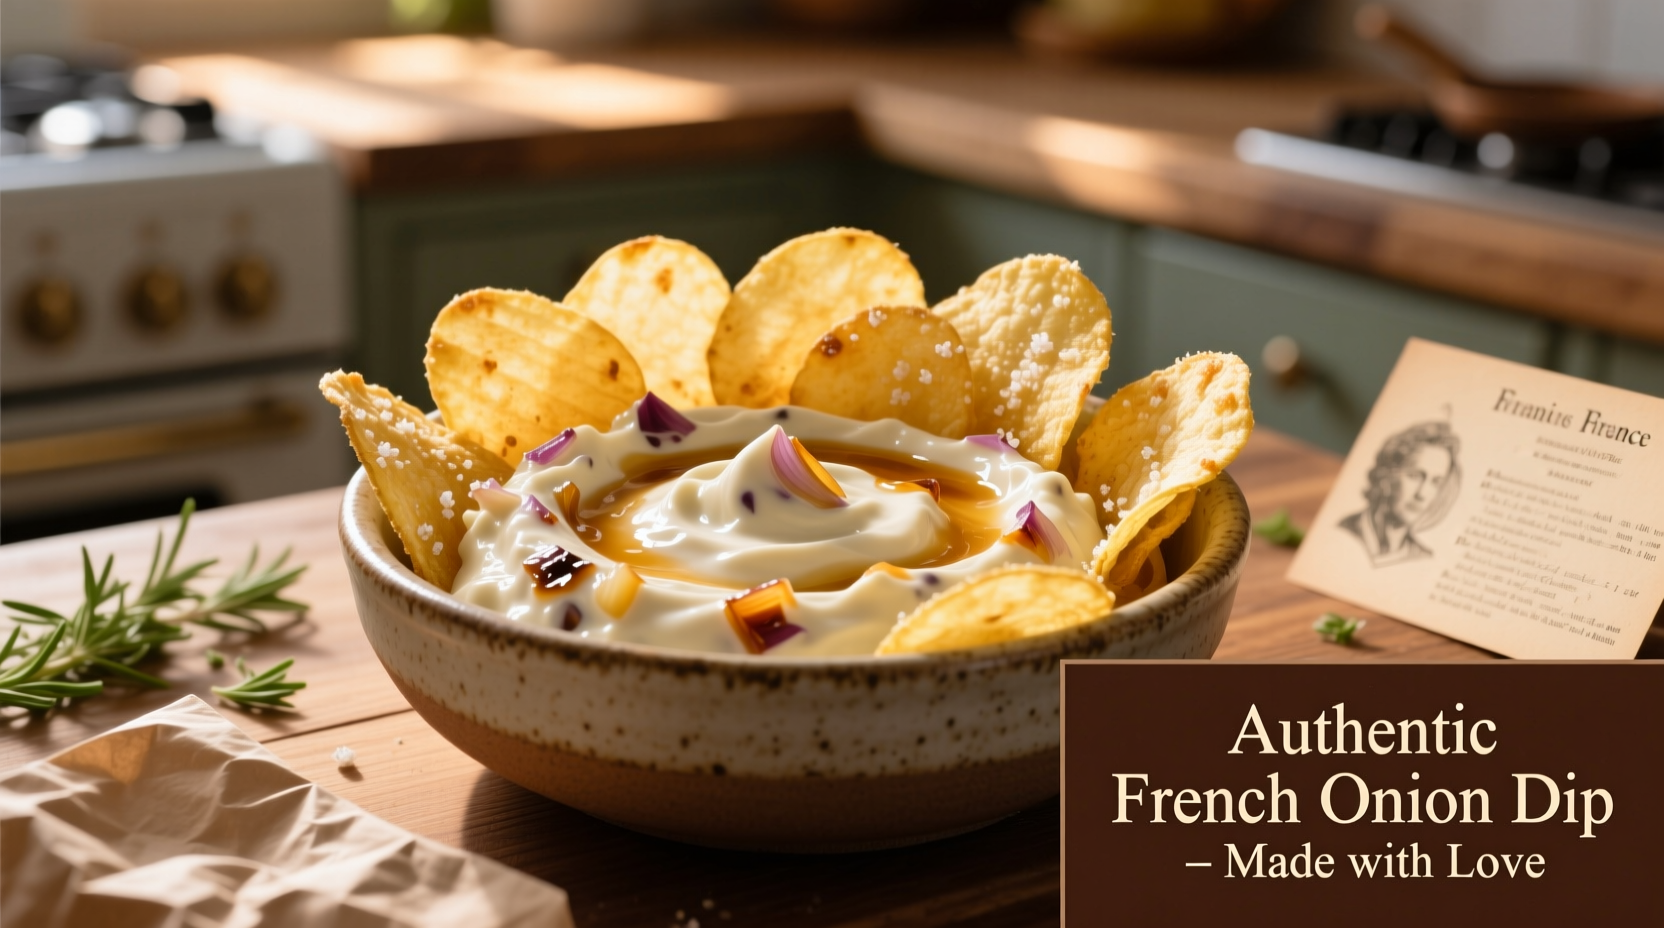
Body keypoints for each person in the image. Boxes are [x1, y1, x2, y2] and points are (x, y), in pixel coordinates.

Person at [1339, 421, 1460, 567]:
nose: (1422, 494)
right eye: (1414, 476)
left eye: (1436, 482)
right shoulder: (1343, 532)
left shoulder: (1422, 558)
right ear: (1388, 474)